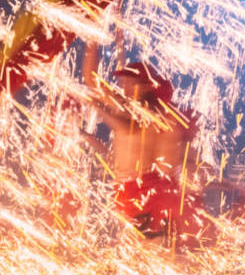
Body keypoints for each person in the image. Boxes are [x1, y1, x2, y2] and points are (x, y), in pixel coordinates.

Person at [81, 43, 206, 251]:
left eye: (132, 83)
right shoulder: (129, 106)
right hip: (134, 194)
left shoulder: (148, 113)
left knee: (146, 256)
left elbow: (127, 127)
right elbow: (91, 80)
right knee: (143, 257)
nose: (126, 87)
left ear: (148, 86)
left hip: (145, 197)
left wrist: (97, 107)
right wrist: (92, 38)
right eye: (124, 82)